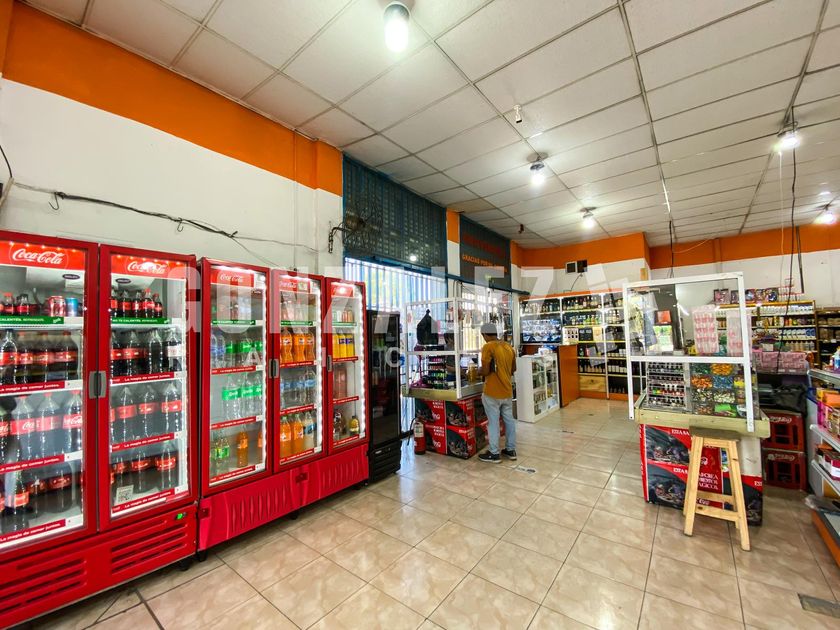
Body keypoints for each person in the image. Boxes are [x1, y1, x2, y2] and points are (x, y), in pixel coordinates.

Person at [476, 322, 516, 463]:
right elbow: (513, 369)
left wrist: (477, 371)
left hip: (492, 392)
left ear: (485, 335)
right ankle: (511, 450)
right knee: (509, 421)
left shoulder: (488, 347)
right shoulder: (508, 346)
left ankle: (494, 453)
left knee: (493, 423)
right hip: (507, 391)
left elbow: (485, 370)